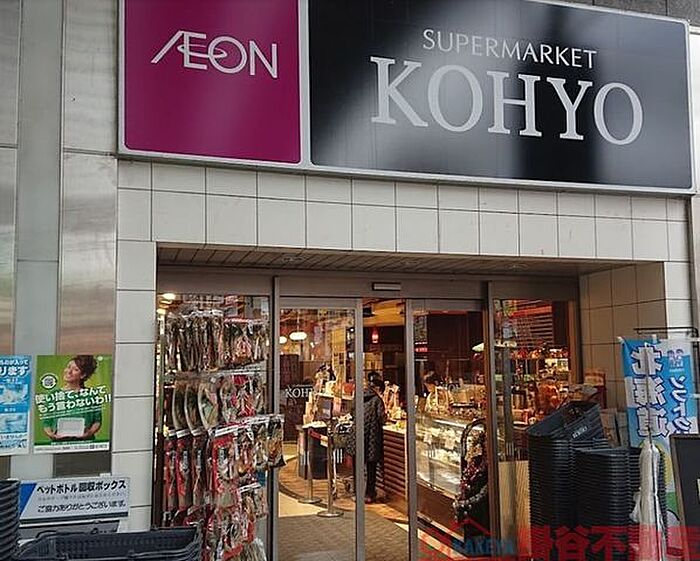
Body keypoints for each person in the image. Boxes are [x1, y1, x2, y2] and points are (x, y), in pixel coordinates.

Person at [347, 372, 386, 503]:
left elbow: (352, 413)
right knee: (371, 467)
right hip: (371, 437)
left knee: (357, 467)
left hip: (357, 435)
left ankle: (357, 493)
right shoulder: (377, 400)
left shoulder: (358, 397)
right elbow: (381, 418)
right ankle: (369, 494)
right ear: (378, 389)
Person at [43, 355, 102, 442]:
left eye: (75, 369)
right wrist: (52, 435)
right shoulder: (54, 395)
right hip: (59, 444)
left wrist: (88, 433)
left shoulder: (91, 395)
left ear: (83, 375)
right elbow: (46, 423)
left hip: (85, 444)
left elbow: (97, 421)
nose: (69, 371)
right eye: (68, 367)